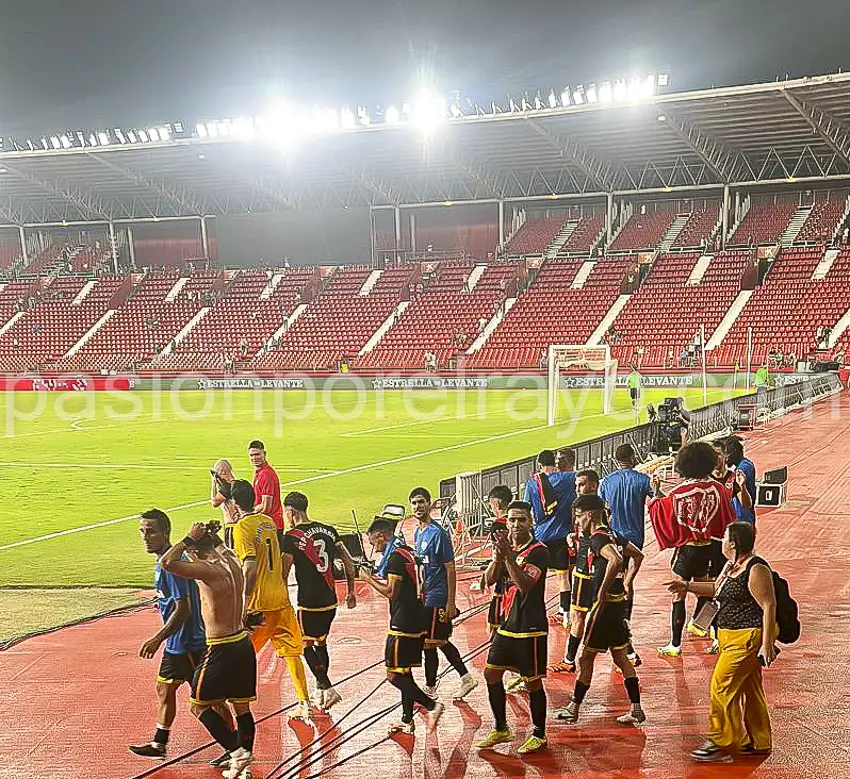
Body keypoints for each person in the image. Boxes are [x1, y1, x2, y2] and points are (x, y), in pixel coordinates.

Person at [666, 522, 777, 762]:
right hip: (729, 636)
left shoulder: (756, 569)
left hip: (746, 637)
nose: (721, 541)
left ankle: (721, 741)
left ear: (734, 542)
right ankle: (759, 740)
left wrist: (767, 644)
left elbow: (769, 606)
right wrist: (686, 586)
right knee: (750, 688)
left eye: (724, 536)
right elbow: (715, 588)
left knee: (721, 685)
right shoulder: (730, 567)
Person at [160, 522, 257, 779]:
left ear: (194, 552)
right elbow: (219, 545)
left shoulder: (207, 569)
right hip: (242, 642)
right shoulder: (231, 558)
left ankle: (237, 752)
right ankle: (242, 762)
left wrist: (188, 539)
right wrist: (210, 535)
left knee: (199, 706)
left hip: (220, 647)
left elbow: (167, 562)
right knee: (242, 707)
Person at [554, 494, 646, 726]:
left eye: (579, 516)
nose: (577, 521)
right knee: (621, 657)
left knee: (586, 658)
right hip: (618, 604)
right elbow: (637, 554)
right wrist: (627, 581)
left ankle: (573, 707)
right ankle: (636, 708)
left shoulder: (597, 538)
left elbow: (614, 560)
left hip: (603, 606)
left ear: (591, 514)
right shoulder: (614, 534)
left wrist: (602, 589)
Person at [228, 480, 311, 722]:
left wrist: (244, 602)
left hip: (259, 604)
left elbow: (250, 568)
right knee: (292, 653)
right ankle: (303, 702)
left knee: (240, 656)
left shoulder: (242, 527)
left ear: (234, 503)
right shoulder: (268, 521)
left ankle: (239, 710)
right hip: (281, 599)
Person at [129, 509, 207, 759]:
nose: (145, 537)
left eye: (150, 531)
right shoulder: (167, 561)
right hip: (177, 644)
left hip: (188, 643)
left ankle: (235, 745)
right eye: (142, 531)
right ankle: (159, 743)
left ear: (166, 532)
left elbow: (184, 609)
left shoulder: (171, 565)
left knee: (207, 701)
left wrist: (156, 638)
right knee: (164, 689)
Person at [649, 442, 737, 657]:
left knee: (678, 594)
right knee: (706, 592)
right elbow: (728, 517)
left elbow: (659, 509)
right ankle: (717, 638)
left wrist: (654, 493)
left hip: (686, 551)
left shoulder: (679, 492)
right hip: (710, 549)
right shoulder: (718, 489)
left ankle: (675, 644)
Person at [476, 501, 550, 754]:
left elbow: (525, 584)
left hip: (530, 627)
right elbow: (489, 580)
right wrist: (498, 557)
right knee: (491, 674)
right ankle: (501, 728)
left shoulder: (539, 551)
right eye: (511, 520)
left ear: (530, 522)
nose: (515, 525)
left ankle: (539, 733)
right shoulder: (505, 547)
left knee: (532, 682)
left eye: (521, 520)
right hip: (507, 624)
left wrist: (508, 556)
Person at [359, 518, 444, 735]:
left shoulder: (395, 558)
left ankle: (432, 706)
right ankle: (407, 720)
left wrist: (368, 579)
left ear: (380, 535)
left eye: (373, 543)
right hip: (419, 618)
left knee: (394, 675)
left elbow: (391, 592)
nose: (374, 548)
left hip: (402, 623)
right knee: (405, 672)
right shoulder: (410, 553)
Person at [280, 491, 357, 711]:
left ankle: (327, 686)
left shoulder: (291, 537)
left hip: (308, 602)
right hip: (330, 600)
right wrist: (351, 591)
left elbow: (284, 573)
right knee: (321, 642)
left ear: (291, 512)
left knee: (304, 645)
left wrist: (284, 600)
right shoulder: (329, 531)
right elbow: (348, 561)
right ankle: (320, 689)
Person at [410, 486, 477, 700]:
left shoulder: (437, 534)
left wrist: (450, 602)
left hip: (437, 597)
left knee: (432, 643)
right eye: (414, 503)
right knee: (434, 641)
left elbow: (450, 568)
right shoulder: (417, 531)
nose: (418, 506)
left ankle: (435, 687)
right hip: (424, 596)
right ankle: (461, 678)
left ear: (429, 504)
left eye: (421, 502)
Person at [599, 444, 653, 664]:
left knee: (615, 583)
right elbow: (658, 500)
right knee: (627, 583)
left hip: (614, 540)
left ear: (615, 459)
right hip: (636, 539)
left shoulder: (607, 482)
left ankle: (620, 627)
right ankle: (624, 622)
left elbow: (603, 510)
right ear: (632, 458)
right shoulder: (642, 480)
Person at [550, 468, 600, 673]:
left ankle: (570, 660)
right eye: (576, 485)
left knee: (591, 616)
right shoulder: (581, 506)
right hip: (585, 567)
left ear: (593, 485)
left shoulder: (599, 510)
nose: (577, 489)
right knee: (585, 615)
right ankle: (569, 660)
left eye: (581, 484)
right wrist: (576, 538)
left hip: (590, 571)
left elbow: (607, 541)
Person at [523, 449, 577, 628]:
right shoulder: (569, 479)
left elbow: (526, 509)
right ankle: (565, 613)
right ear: (555, 462)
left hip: (540, 538)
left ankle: (534, 612)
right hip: (562, 537)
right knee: (564, 578)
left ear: (539, 464)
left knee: (536, 577)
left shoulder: (533, 483)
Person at [482, 485, 513, 634]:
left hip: (504, 580)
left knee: (496, 626)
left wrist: (489, 574)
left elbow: (498, 554)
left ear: (498, 503)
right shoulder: (522, 521)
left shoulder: (498, 525)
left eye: (491, 504)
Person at [248, 440, 284, 535]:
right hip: (266, 524)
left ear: (264, 453)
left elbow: (266, 507)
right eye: (251, 455)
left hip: (271, 525)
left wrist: (249, 512)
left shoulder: (266, 474)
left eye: (257, 454)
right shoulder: (259, 473)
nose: (254, 458)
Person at [724, 437, 757, 525]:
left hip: (742, 517)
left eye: (727, 454)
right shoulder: (744, 464)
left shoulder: (744, 467)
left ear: (734, 453)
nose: (725, 458)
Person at [210, 459, 238, 544]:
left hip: (231, 525)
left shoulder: (227, 487)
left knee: (233, 554)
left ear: (222, 471)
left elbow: (214, 503)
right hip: (241, 524)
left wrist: (214, 482)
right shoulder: (238, 484)